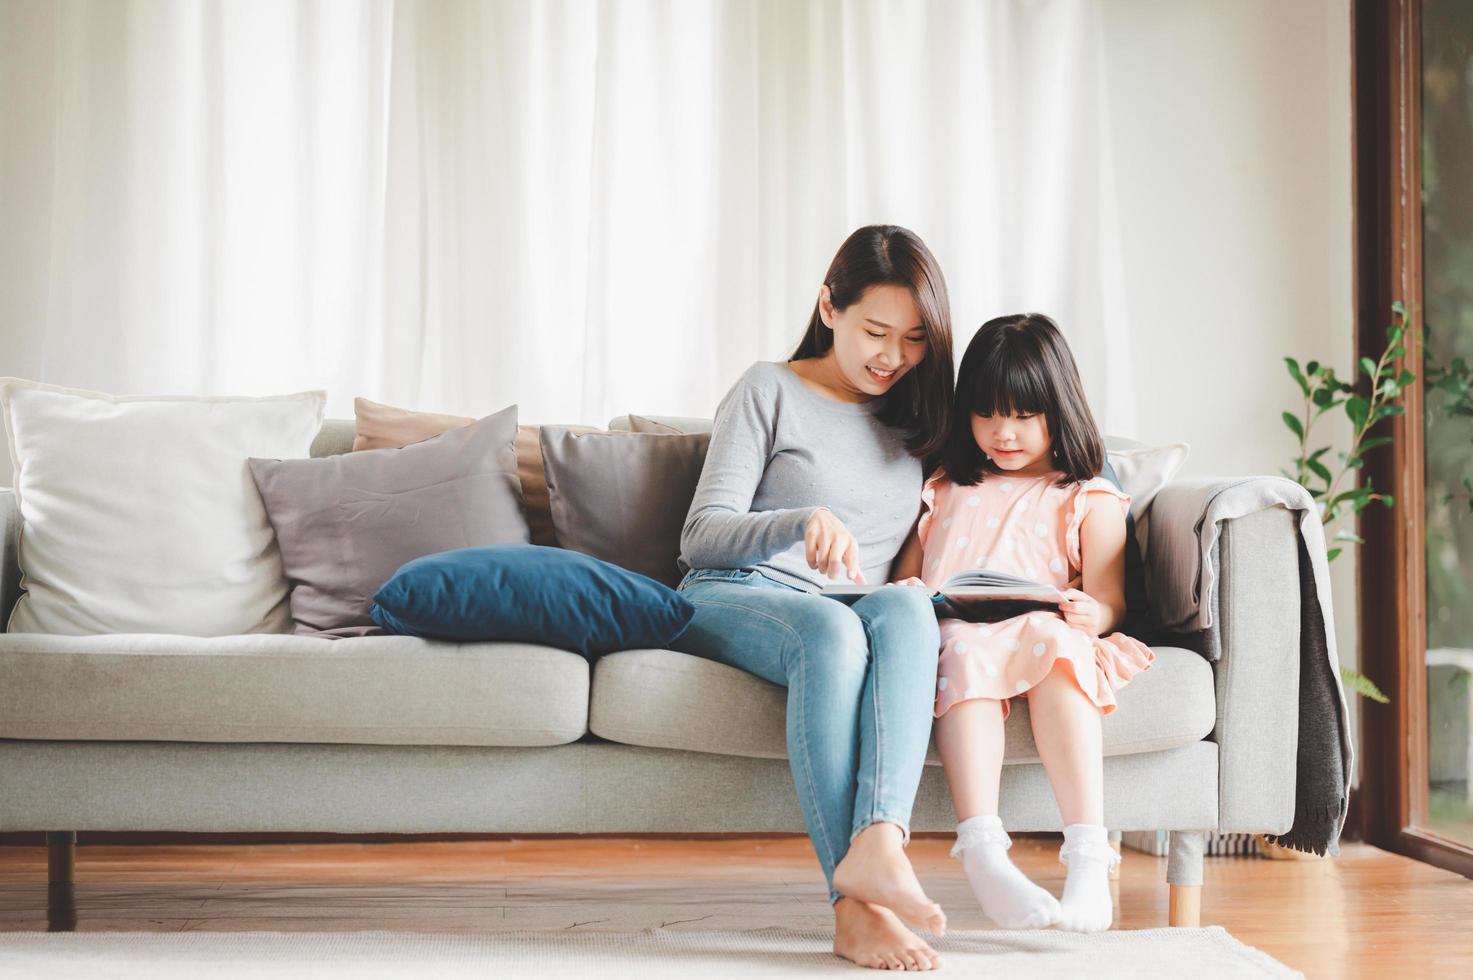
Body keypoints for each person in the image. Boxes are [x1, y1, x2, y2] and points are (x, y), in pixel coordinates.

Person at [674, 225, 954, 971]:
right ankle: (854, 912)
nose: (892, 356)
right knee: (830, 635)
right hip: (736, 592)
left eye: (914, 338)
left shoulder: (919, 420)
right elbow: (699, 537)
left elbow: (1041, 459)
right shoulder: (768, 388)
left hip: (851, 609)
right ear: (829, 307)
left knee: (905, 607)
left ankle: (878, 843)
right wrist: (798, 520)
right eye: (874, 331)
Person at [889, 313, 1154, 934]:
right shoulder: (946, 486)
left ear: (1058, 410)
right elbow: (907, 579)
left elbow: (1111, 600)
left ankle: (1089, 855)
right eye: (987, 414)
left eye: (1023, 415)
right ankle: (983, 851)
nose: (1003, 433)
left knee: (1060, 645)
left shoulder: (1087, 495)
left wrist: (1097, 611)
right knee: (961, 653)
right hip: (960, 632)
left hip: (1043, 627)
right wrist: (911, 595)